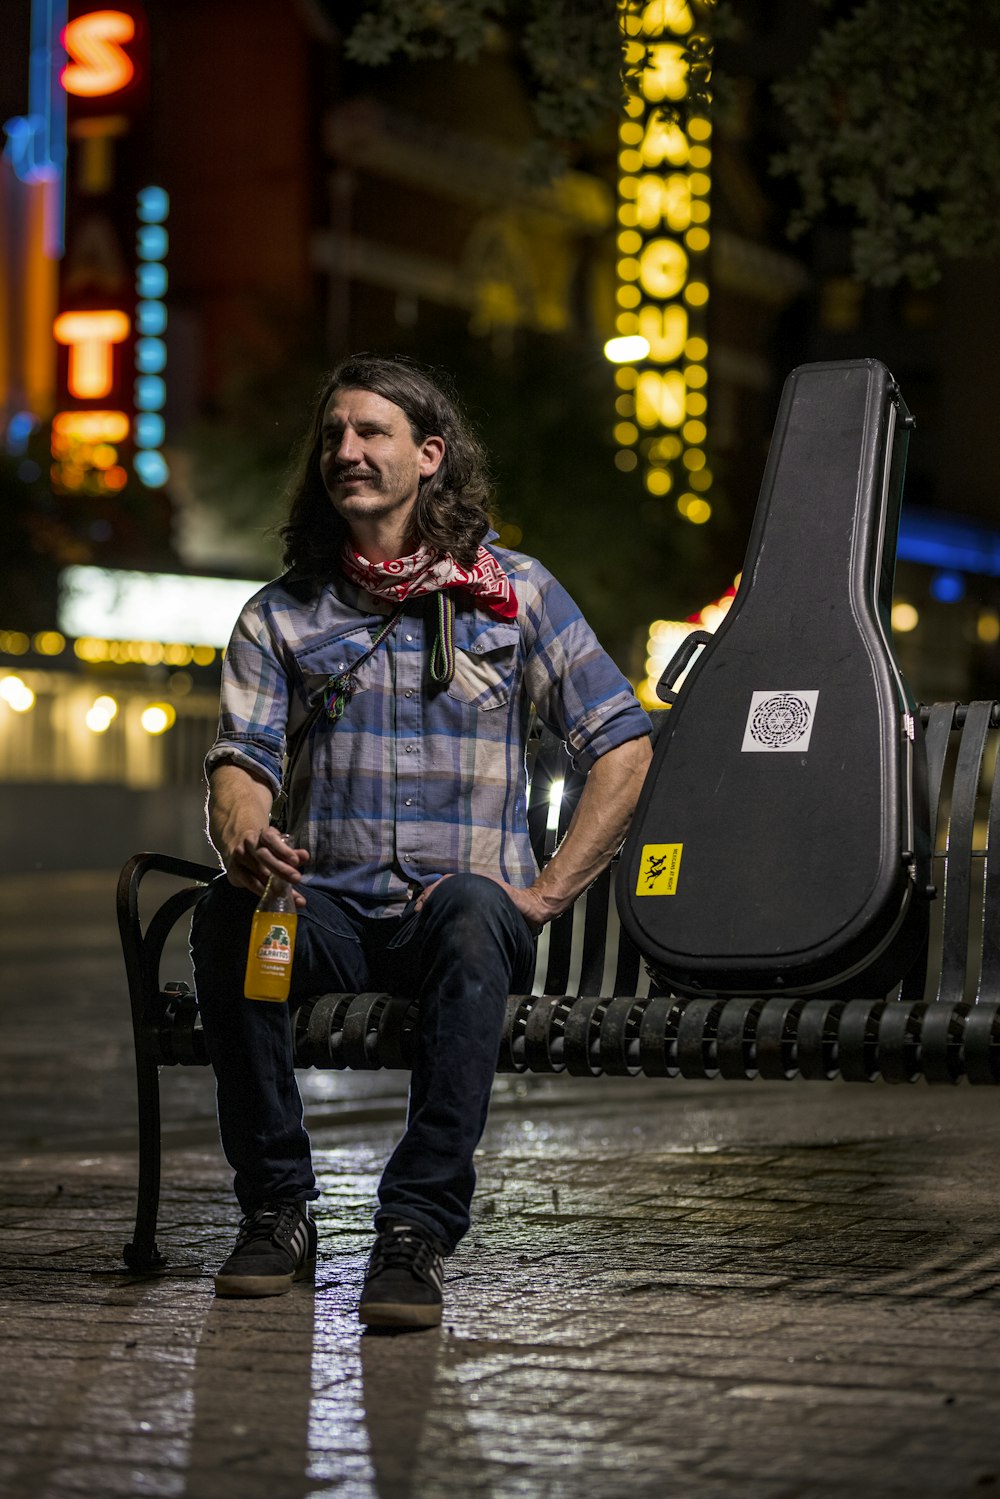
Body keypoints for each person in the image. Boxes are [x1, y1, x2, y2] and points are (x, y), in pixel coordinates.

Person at [192, 353, 652, 1327]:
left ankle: (414, 1231)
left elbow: (620, 741)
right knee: (232, 915)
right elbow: (243, 757)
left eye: (371, 432)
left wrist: (550, 889)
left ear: (430, 454)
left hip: (458, 916)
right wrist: (242, 836)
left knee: (479, 906)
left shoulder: (513, 593)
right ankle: (277, 1208)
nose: (346, 450)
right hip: (321, 915)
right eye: (333, 435)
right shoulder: (281, 614)